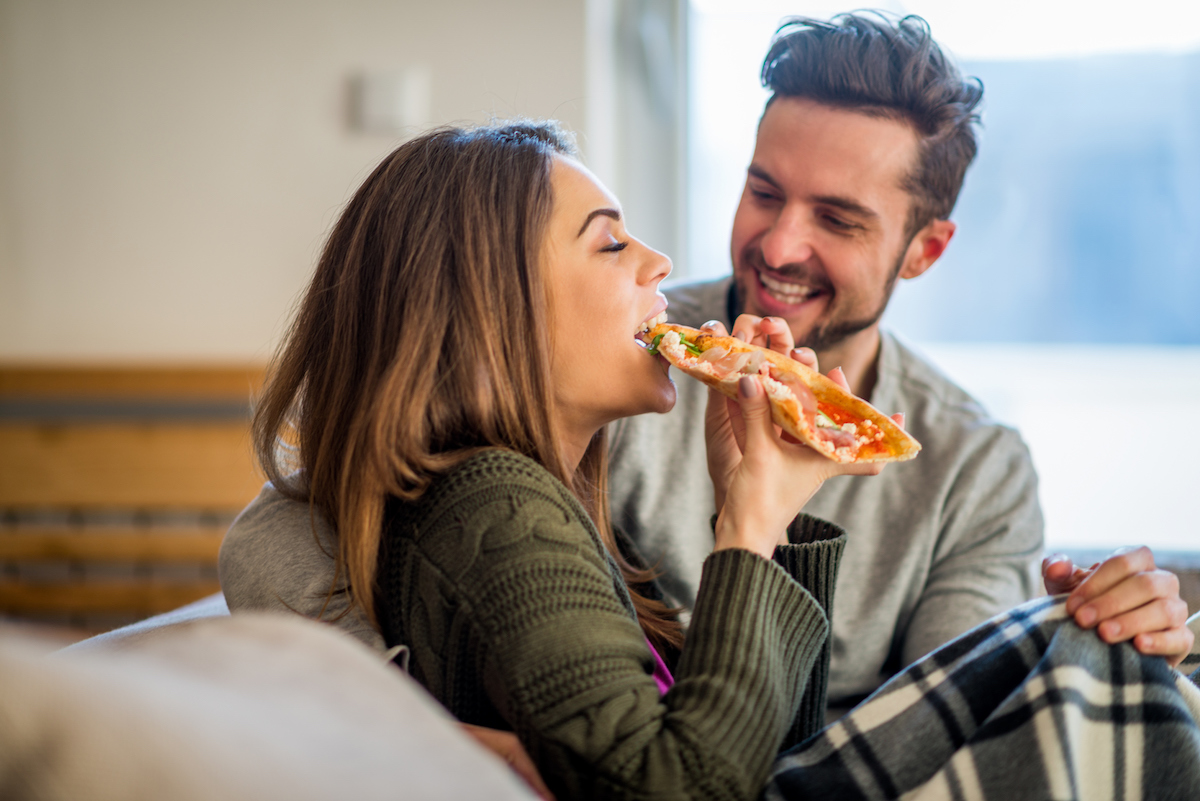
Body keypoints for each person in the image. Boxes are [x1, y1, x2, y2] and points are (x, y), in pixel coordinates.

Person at [220, 12, 1193, 722]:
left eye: (839, 220)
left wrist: (1071, 636)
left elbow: (943, 713)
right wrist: (433, 740)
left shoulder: (977, 465)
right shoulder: (612, 349)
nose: (776, 245)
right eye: (764, 191)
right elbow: (283, 531)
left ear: (924, 250)